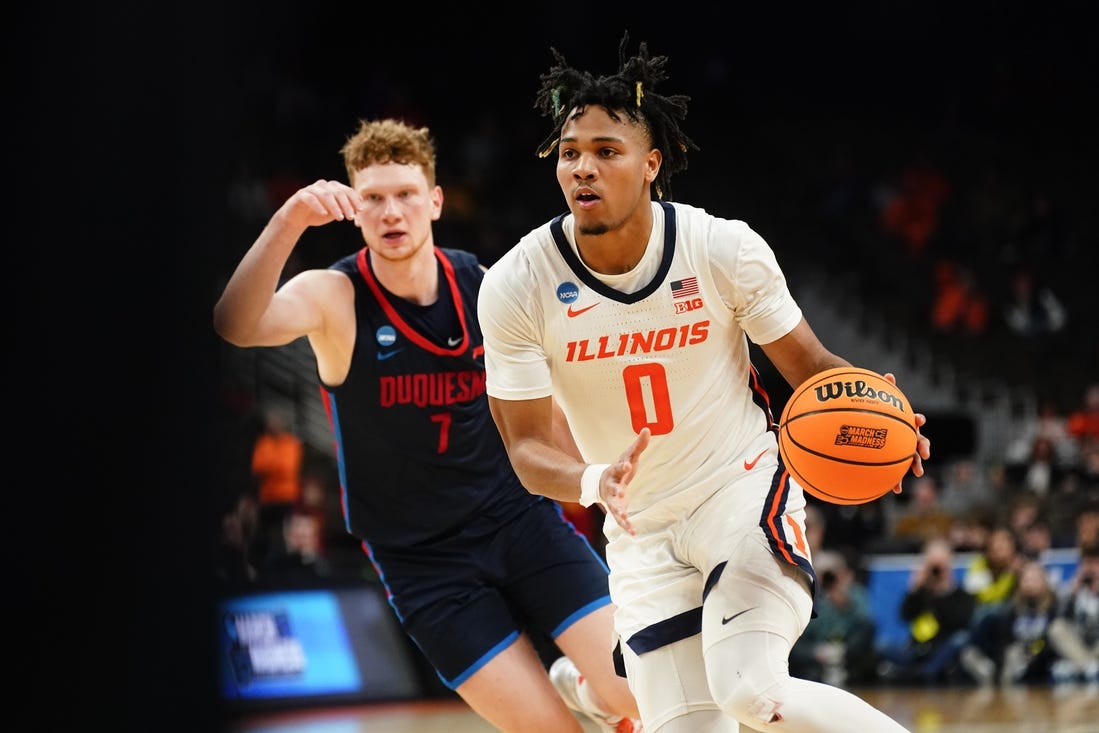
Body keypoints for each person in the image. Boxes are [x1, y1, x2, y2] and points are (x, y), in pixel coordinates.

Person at [477, 34, 930, 732]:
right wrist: (595, 482)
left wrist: (886, 414)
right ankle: (600, 693)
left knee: (750, 690)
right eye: (570, 153)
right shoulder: (517, 283)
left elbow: (809, 367)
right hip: (640, 532)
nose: (582, 168)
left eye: (606, 151)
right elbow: (528, 448)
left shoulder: (721, 249)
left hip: (738, 490)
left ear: (651, 164)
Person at [213, 118, 640, 733]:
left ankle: (586, 687)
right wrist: (288, 220)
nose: (392, 212)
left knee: (634, 696)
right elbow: (235, 324)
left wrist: (594, 483)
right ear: (354, 211)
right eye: (373, 198)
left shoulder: (484, 285)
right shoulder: (334, 297)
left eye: (406, 194)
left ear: (434, 201)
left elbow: (543, 411)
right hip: (423, 562)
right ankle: (570, 695)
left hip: (518, 524)